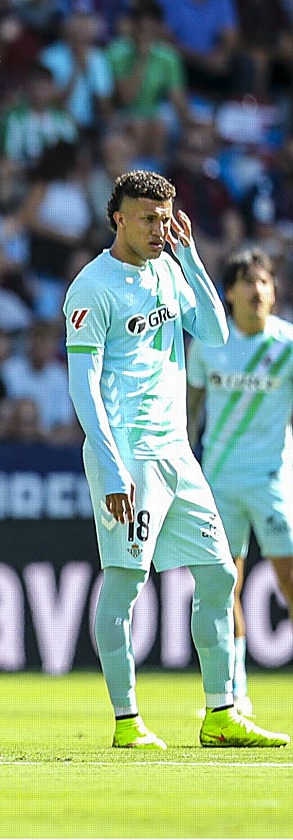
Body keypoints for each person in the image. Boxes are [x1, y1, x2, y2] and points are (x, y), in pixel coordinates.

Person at [63, 170, 288, 750]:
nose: (159, 228)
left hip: (177, 453)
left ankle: (220, 712)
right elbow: (84, 387)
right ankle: (127, 720)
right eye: (147, 218)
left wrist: (191, 259)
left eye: (165, 218)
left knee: (219, 573)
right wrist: (109, 466)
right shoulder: (93, 288)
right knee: (125, 585)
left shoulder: (169, 265)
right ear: (118, 218)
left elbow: (214, 333)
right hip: (128, 453)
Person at [186, 249, 293, 719]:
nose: (257, 291)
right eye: (247, 282)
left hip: (272, 481)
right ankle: (236, 693)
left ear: (275, 291)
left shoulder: (288, 345)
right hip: (219, 482)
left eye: (264, 282)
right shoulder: (210, 342)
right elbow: (188, 411)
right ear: (228, 292)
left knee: (290, 583)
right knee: (224, 586)